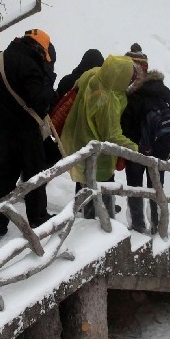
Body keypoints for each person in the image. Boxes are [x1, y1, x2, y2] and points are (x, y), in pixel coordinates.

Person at [0, 29, 56, 237]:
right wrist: (48, 75)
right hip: (25, 131)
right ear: (38, 48)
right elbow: (42, 102)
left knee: (3, 177)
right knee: (34, 174)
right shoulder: (31, 67)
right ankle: (37, 218)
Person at [60, 55, 138, 218]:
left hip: (78, 141)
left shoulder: (93, 75)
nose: (128, 85)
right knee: (101, 188)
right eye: (128, 81)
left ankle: (86, 213)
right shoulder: (107, 100)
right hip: (98, 155)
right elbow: (112, 135)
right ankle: (101, 222)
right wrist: (135, 149)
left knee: (85, 183)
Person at [120, 46, 170, 233]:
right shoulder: (164, 90)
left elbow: (125, 124)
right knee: (156, 188)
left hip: (136, 150)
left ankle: (137, 226)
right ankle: (158, 226)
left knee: (135, 189)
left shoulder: (130, 95)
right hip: (159, 148)